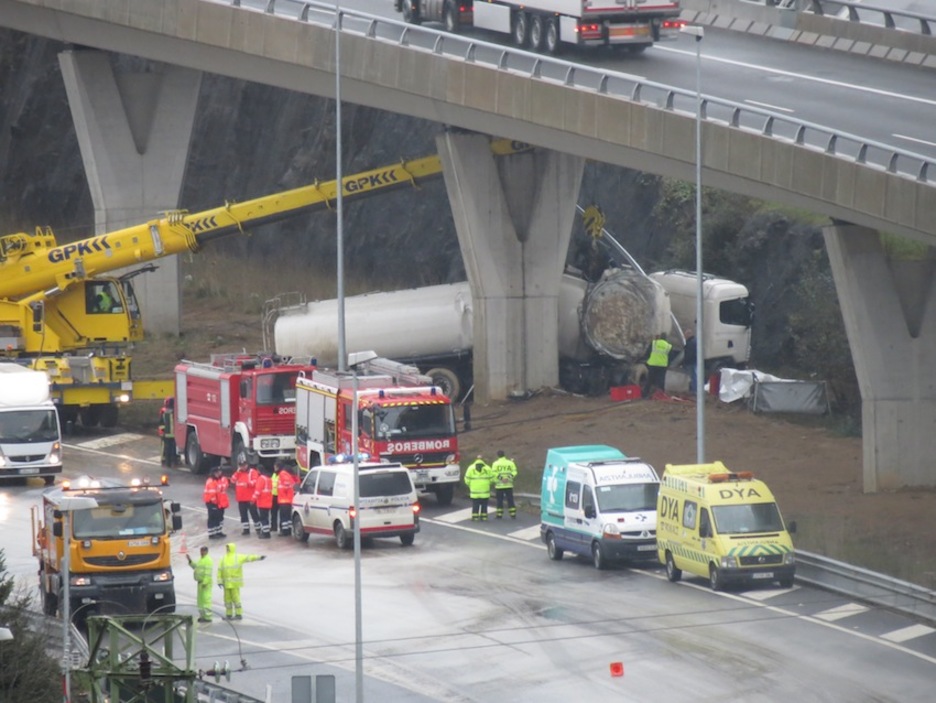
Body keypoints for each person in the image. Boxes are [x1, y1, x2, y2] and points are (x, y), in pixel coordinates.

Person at [216, 542, 265, 620]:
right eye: (226, 548)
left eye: (228, 548)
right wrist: (219, 581)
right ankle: (229, 614)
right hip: (227, 584)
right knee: (227, 600)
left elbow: (248, 558)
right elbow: (220, 570)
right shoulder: (224, 558)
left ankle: (238, 614)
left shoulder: (237, 557)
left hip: (234, 583)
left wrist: (258, 557)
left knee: (236, 599)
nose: (227, 549)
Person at [232, 458, 261, 536]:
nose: (242, 467)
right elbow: (233, 480)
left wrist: (248, 484)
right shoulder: (238, 473)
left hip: (250, 498)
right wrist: (237, 472)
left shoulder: (252, 472)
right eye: (241, 466)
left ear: (247, 465)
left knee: (254, 513)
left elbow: (256, 481)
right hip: (241, 498)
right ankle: (246, 529)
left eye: (244, 465)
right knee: (243, 514)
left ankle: (258, 528)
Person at [186, 545, 214, 623]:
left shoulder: (208, 560)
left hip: (205, 584)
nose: (201, 552)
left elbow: (208, 573)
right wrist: (190, 561)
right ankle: (202, 616)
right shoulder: (201, 560)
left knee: (206, 600)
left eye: (203, 551)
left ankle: (208, 616)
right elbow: (196, 567)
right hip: (200, 583)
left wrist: (205, 582)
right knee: (200, 601)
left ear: (206, 551)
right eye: (201, 551)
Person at [464, 455, 493, 521]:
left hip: (474, 491)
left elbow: (467, 480)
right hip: (485, 491)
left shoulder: (470, 468)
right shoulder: (488, 468)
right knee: (484, 505)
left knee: (475, 504)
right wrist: (487, 484)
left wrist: (470, 485)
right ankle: (484, 517)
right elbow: (492, 479)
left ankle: (475, 517)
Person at [491, 450, 518, 519]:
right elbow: (514, 472)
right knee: (510, 500)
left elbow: (494, 473)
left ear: (497, 455)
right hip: (509, 484)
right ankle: (513, 514)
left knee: (499, 500)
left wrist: (501, 478)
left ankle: (499, 515)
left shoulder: (495, 463)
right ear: (504, 455)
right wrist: (508, 478)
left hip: (499, 485)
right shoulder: (510, 463)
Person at [204, 466, 228, 539]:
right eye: (218, 472)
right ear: (214, 473)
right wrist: (215, 503)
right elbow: (212, 494)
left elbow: (224, 486)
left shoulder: (219, 480)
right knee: (213, 517)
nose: (219, 473)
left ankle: (218, 532)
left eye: (220, 472)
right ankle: (212, 534)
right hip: (212, 502)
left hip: (219, 503)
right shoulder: (211, 481)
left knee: (219, 518)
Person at [645, 332, 673, 397]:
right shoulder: (669, 346)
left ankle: (645, 394)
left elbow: (647, 353)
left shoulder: (654, 343)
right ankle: (660, 394)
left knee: (650, 380)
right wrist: (667, 365)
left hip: (652, 364)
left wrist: (647, 361)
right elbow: (671, 357)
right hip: (662, 366)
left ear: (660, 337)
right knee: (661, 380)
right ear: (666, 338)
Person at [275, 462, 297, 537]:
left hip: (283, 500)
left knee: (284, 517)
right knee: (288, 517)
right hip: (288, 500)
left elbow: (286, 484)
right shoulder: (288, 475)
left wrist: (284, 490)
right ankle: (288, 530)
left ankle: (285, 532)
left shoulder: (282, 474)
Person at [252, 465, 274, 539]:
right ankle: (267, 532)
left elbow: (257, 491)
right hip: (268, 502)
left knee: (263, 518)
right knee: (266, 518)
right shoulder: (269, 479)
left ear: (258, 470)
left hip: (262, 502)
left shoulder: (261, 479)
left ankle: (265, 533)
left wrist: (252, 500)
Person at [159, 398, 177, 468]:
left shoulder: (163, 411)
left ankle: (167, 462)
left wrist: (162, 432)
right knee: (173, 448)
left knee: (166, 448)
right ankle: (174, 461)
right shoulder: (175, 411)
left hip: (166, 434)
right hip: (174, 434)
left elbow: (161, 423)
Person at [682, 328, 698, 394]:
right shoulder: (695, 341)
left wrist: (684, 362)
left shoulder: (690, 343)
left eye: (685, 335)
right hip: (694, 361)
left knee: (693, 376)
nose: (684, 337)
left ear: (688, 335)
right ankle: (694, 389)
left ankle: (694, 390)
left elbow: (689, 354)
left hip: (691, 362)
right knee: (694, 375)